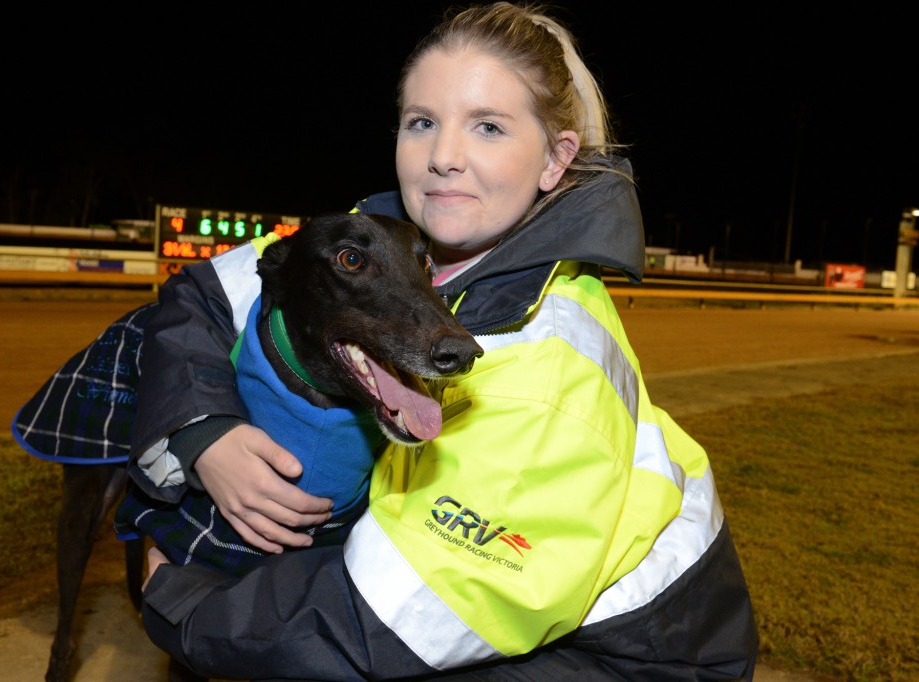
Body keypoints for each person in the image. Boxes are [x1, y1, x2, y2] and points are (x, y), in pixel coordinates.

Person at [129, 2, 759, 679]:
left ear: (555, 160)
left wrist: (180, 600)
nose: (444, 157)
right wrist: (205, 432)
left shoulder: (543, 367)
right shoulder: (387, 238)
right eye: (422, 123)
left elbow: (376, 624)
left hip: (633, 658)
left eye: (488, 127)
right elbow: (204, 293)